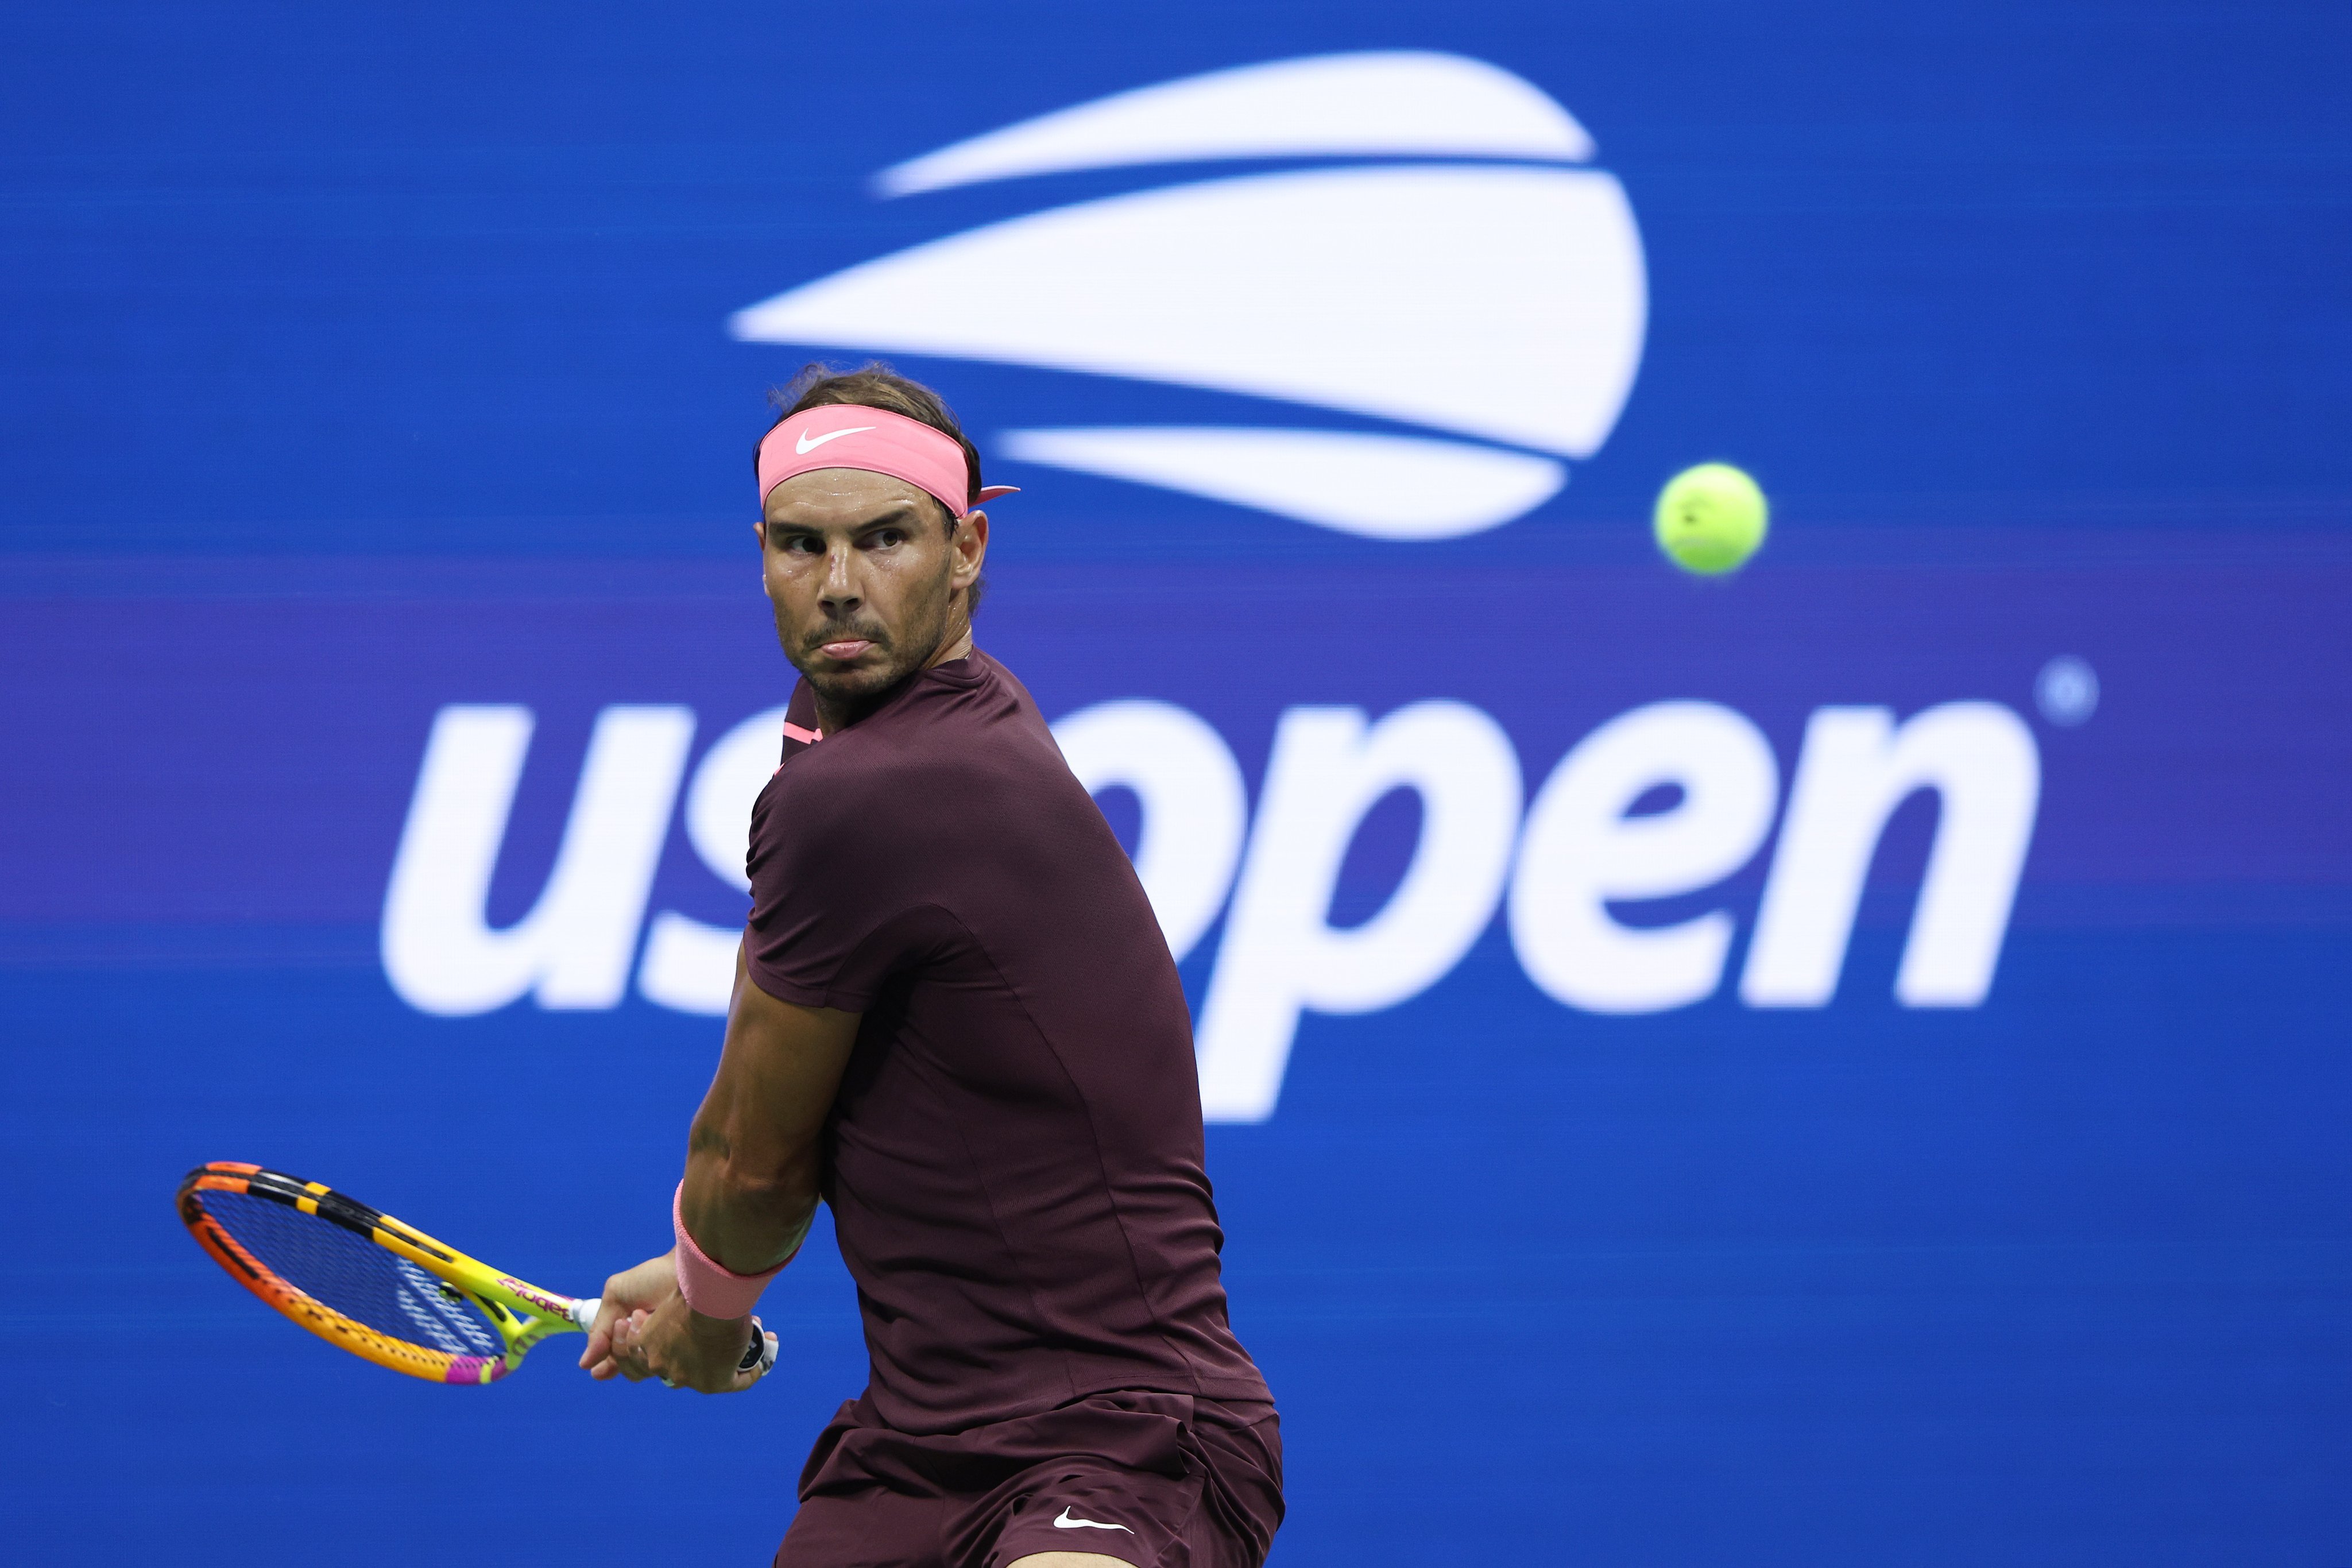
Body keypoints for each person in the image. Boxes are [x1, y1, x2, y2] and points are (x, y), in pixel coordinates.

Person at [579, 365, 1281, 1568]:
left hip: (1120, 1436)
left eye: (885, 539)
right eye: (801, 545)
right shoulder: (851, 741)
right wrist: (702, 1273)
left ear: (966, 550)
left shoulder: (877, 787)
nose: (840, 584)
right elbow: (778, 1134)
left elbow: (752, 1155)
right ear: (759, 553)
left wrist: (711, 1305)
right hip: (913, 1451)